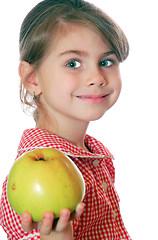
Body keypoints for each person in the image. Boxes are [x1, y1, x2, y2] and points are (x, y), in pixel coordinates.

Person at [0, 0, 131, 239]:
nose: (97, 77)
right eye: (73, 63)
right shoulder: (32, 179)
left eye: (106, 62)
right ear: (32, 79)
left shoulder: (94, 154)